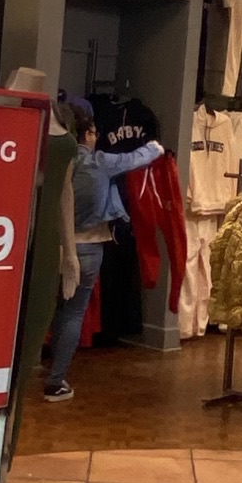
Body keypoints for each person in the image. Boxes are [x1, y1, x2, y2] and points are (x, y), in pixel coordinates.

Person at [44, 105, 162, 402]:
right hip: (87, 245)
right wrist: (155, 147)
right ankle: (56, 381)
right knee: (73, 313)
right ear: (87, 134)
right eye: (94, 133)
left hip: (50, 245)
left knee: (47, 310)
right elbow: (134, 158)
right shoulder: (99, 162)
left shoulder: (50, 160)